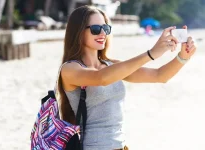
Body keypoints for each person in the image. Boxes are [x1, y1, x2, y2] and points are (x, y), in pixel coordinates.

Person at [56, 5, 196, 150]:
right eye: (96, 29)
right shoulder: (70, 69)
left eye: (106, 28)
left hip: (121, 146)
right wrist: (151, 53)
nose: (103, 33)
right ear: (78, 32)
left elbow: (159, 75)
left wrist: (182, 58)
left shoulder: (112, 66)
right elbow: (101, 78)